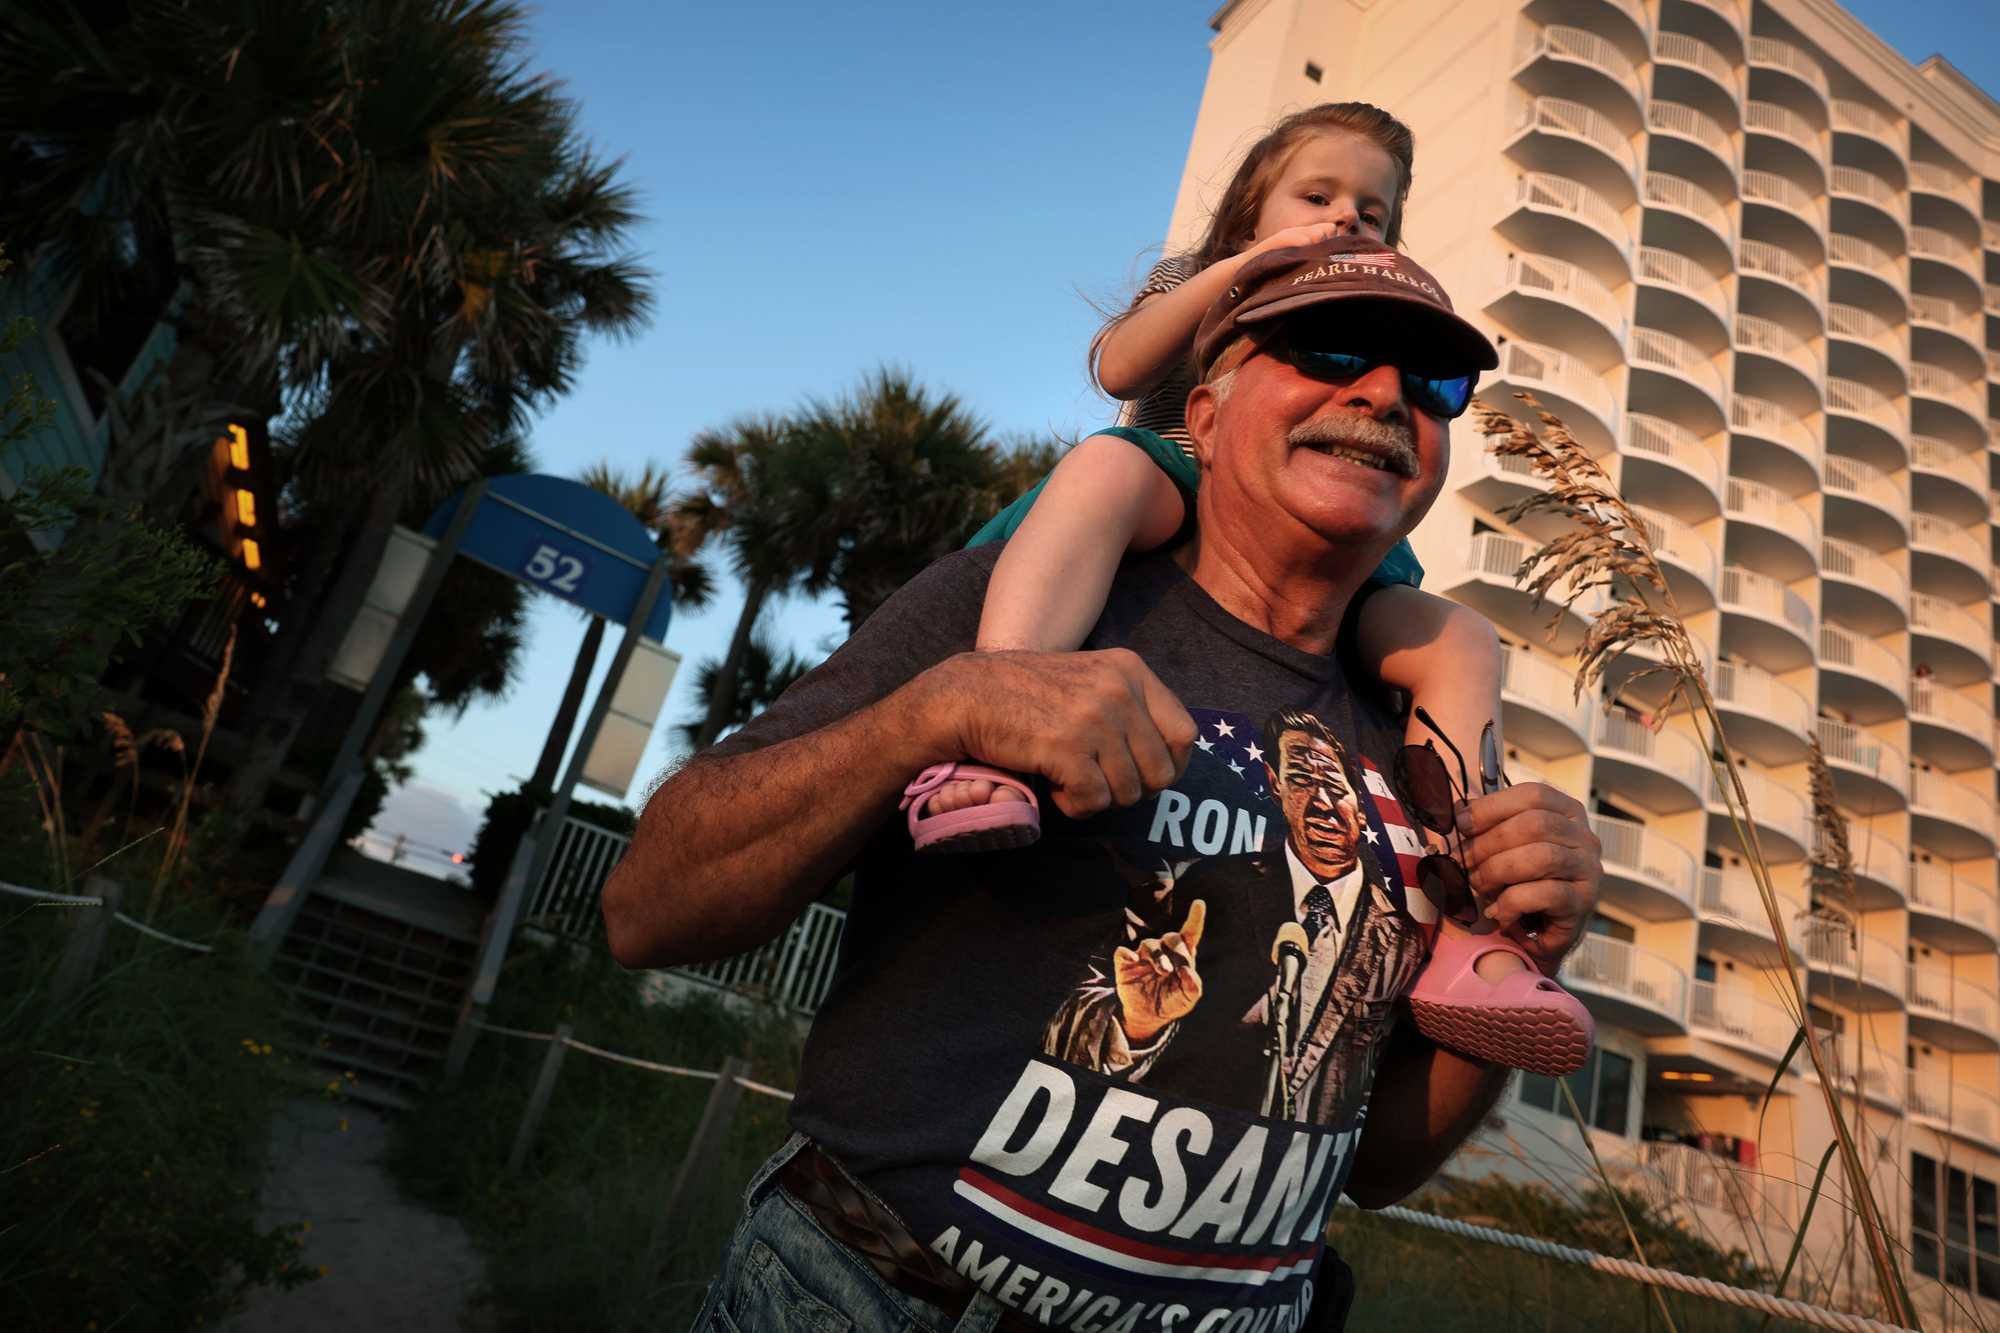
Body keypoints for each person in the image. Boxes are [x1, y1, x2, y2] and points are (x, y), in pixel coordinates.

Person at [603, 237, 1605, 1333]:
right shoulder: (1031, 606)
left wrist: (1532, 929)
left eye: (1432, 383)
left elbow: (1376, 1164)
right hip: (880, 1303)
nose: (1380, 392)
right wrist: (940, 710)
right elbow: (648, 906)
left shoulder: (1421, 738)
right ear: (1207, 418)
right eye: (1326, 350)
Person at [900, 101, 1588, 1077]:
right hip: (1173, 481)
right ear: (1247, 210)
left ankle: (1466, 931)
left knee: (1461, 641)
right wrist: (1241, 272)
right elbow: (1117, 367)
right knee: (1099, 470)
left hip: (1316, 548)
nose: (1347, 219)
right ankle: (999, 723)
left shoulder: (1374, 304)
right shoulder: (1208, 285)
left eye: (1372, 210)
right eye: (1317, 195)